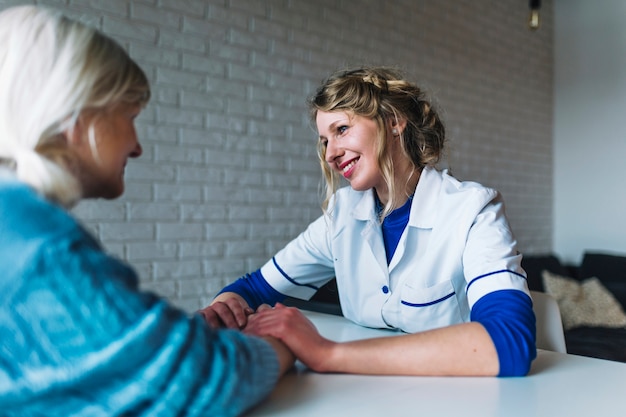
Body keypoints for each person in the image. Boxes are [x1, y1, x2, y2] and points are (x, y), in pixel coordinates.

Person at [0, 5, 293, 416]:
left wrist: (168, 336)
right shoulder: (37, 247)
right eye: (130, 117)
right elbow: (197, 381)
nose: (137, 146)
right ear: (78, 118)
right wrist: (280, 343)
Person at [199, 67, 537, 377]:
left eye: (342, 130)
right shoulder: (341, 215)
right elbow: (253, 289)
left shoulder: (472, 210)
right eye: (325, 140)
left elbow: (509, 344)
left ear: (393, 121)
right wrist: (222, 309)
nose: (331, 153)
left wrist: (328, 354)